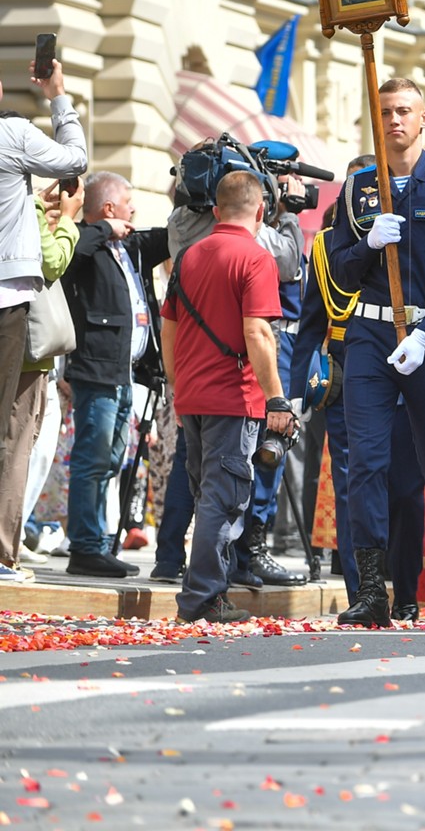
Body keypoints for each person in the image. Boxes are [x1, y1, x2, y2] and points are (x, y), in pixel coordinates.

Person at [325, 78, 425, 627]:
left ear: (424, 118)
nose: (395, 120)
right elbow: (338, 266)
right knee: (366, 464)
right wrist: (367, 245)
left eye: (404, 111)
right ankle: (371, 588)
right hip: (368, 336)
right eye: (386, 111)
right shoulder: (357, 189)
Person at [286, 164, 425, 616]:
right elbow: (310, 322)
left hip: (404, 366)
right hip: (348, 371)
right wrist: (293, 393)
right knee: (353, 484)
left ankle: (406, 592)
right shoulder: (327, 247)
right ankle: (362, 592)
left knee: (406, 485)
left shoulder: (411, 237)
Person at [158, 171, 293, 623]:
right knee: (224, 499)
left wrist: (179, 390)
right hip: (234, 399)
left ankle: (203, 592)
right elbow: (257, 331)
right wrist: (276, 398)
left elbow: (169, 330)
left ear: (216, 211)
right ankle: (202, 598)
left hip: (194, 396)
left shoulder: (189, 256)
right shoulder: (256, 259)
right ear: (261, 211)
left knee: (206, 496)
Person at [0, 59, 86, 583]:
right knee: (11, 431)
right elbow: (75, 157)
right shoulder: (11, 134)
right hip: (6, 299)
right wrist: (57, 94)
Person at [63, 173, 169, 578]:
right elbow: (71, 258)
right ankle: (86, 547)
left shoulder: (130, 247)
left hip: (126, 375)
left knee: (110, 461)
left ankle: (98, 542)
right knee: (92, 460)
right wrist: (104, 229)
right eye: (128, 203)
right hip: (97, 371)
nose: (134, 211)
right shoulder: (85, 240)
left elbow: (167, 234)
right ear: (109, 209)